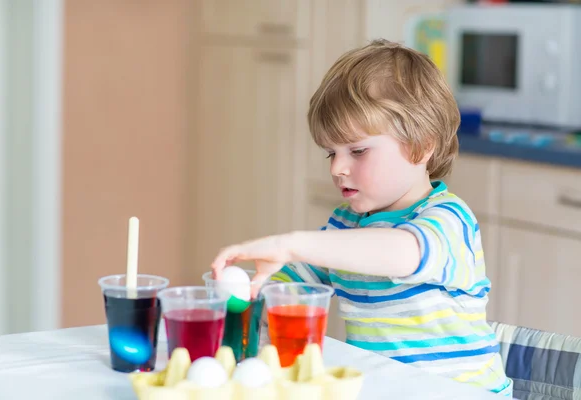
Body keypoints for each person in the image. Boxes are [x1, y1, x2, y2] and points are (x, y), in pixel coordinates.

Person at [210, 39, 512, 396]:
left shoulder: (448, 219)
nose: (338, 168)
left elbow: (403, 255)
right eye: (330, 154)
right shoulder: (345, 225)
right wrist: (243, 292)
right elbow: (286, 292)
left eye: (357, 150)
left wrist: (289, 244)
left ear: (422, 145)